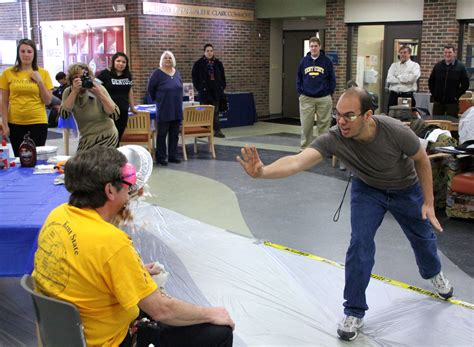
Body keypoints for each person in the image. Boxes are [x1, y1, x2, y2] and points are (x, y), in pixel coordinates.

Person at [237, 87, 453, 342]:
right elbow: (298, 160)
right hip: (367, 189)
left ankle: (434, 274)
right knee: (359, 244)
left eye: (349, 115)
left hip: (404, 189)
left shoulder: (395, 131)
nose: (341, 121)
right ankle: (354, 311)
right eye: (338, 115)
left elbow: (421, 159)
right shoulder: (335, 137)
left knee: (422, 239)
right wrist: (263, 172)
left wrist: (428, 202)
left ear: (368, 115)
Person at [32, 146, 234, 347]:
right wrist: (212, 313)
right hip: (108, 341)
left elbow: (84, 269)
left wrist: (132, 272)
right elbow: (161, 310)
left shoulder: (57, 215)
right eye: (127, 182)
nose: (131, 188)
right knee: (219, 332)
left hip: (65, 336)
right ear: (110, 190)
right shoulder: (111, 242)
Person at [0, 38, 53, 156]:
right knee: (21, 158)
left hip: (38, 122)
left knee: (36, 158)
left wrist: (40, 82)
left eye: (29, 51)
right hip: (15, 123)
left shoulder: (43, 73)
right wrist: (4, 124)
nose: (26, 54)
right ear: (18, 53)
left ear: (34, 54)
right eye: (22, 51)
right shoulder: (8, 73)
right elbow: (4, 102)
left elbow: (48, 100)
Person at [60, 63, 120, 152]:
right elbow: (64, 114)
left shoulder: (98, 88)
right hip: (86, 137)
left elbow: (115, 114)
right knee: (81, 164)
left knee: (98, 162)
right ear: (71, 80)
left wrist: (100, 94)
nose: (81, 80)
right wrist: (74, 92)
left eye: (84, 76)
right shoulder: (68, 92)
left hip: (106, 135)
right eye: (77, 77)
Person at [296, 36, 336, 149]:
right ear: (309, 47)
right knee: (306, 125)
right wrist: (300, 94)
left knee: (324, 125)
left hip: (323, 97)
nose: (313, 48)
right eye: (312, 46)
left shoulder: (326, 61)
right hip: (306, 98)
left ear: (320, 47)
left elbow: (332, 79)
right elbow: (299, 78)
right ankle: (305, 148)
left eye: (316, 46)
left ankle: (323, 148)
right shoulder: (304, 61)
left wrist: (329, 92)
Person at [147, 51, 183, 166]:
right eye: (165, 58)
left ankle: (173, 155)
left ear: (173, 60)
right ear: (162, 60)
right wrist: (158, 100)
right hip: (163, 109)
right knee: (162, 134)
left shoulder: (177, 73)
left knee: (174, 134)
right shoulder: (157, 74)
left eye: (170, 58)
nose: (168, 60)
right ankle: (161, 157)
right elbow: (150, 90)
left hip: (176, 109)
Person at [97, 52, 137, 142]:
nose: (121, 64)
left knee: (118, 135)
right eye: (118, 61)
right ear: (113, 62)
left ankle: (114, 154)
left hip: (123, 111)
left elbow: (129, 91)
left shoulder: (128, 75)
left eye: (123, 62)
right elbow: (94, 89)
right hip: (108, 111)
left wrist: (132, 107)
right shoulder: (104, 74)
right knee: (108, 136)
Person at [192, 43, 227, 138]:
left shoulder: (218, 63)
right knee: (203, 111)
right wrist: (199, 88)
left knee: (215, 112)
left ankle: (217, 130)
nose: (210, 52)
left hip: (215, 92)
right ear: (204, 52)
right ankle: (203, 130)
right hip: (204, 92)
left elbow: (223, 77)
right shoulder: (198, 64)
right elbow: (194, 78)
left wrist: (222, 87)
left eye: (211, 51)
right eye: (208, 51)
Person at [428, 44, 469, 117]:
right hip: (438, 102)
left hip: (452, 102)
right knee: (436, 122)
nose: (447, 54)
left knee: (452, 123)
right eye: (445, 52)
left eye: (449, 52)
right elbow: (431, 81)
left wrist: (456, 96)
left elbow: (466, 84)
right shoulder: (438, 66)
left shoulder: (460, 67)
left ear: (454, 53)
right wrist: (435, 94)